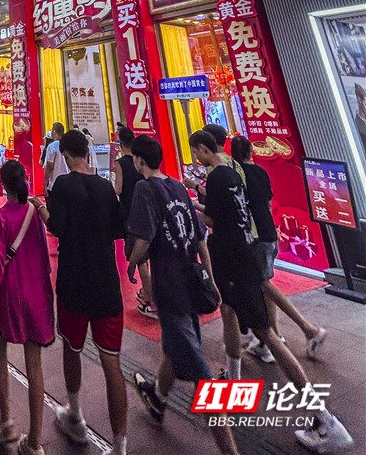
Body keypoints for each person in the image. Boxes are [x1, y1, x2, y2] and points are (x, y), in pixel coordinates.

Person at [189, 131, 352, 454]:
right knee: (228, 312)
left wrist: (189, 204)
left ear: (205, 148)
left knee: (267, 334)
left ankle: (326, 420)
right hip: (241, 254)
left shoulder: (220, 177)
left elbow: (213, 219)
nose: (196, 158)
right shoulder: (233, 174)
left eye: (196, 152)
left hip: (235, 260)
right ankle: (234, 381)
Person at [125, 135, 238, 455]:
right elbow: (201, 239)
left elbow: (144, 239)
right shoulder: (176, 186)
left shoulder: (144, 189)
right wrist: (211, 279)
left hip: (170, 287)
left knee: (200, 374)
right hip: (190, 281)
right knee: (176, 348)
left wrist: (132, 264)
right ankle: (157, 399)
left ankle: (230, 450)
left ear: (139, 161)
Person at [33, 130, 127, 455]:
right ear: (87, 152)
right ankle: (120, 446)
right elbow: (118, 229)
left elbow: (56, 227)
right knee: (112, 362)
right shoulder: (105, 187)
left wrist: (40, 208)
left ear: (65, 154)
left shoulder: (63, 185)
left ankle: (75, 416)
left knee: (72, 348)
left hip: (73, 281)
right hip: (107, 283)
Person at [230, 135, 327, 363]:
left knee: (264, 285)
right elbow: (267, 203)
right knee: (265, 285)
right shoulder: (261, 172)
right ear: (250, 151)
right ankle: (272, 339)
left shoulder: (237, 176)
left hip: (255, 237)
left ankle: (309, 329)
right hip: (269, 232)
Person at [0, 161, 54, 455]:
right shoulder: (35, 213)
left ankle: (6, 421)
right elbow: (45, 259)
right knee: (34, 365)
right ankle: (34, 442)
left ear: (3, 185)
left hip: (8, 295)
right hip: (35, 293)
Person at [113, 126, 154, 318]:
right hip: (146, 209)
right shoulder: (141, 161)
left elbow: (119, 189)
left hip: (129, 211)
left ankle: (149, 296)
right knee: (147, 252)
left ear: (120, 143)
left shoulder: (120, 163)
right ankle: (150, 290)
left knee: (139, 258)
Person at [43, 122, 69, 195]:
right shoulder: (68, 145)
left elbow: (49, 166)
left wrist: (45, 184)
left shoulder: (52, 146)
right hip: (68, 183)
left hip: (55, 184)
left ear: (54, 131)